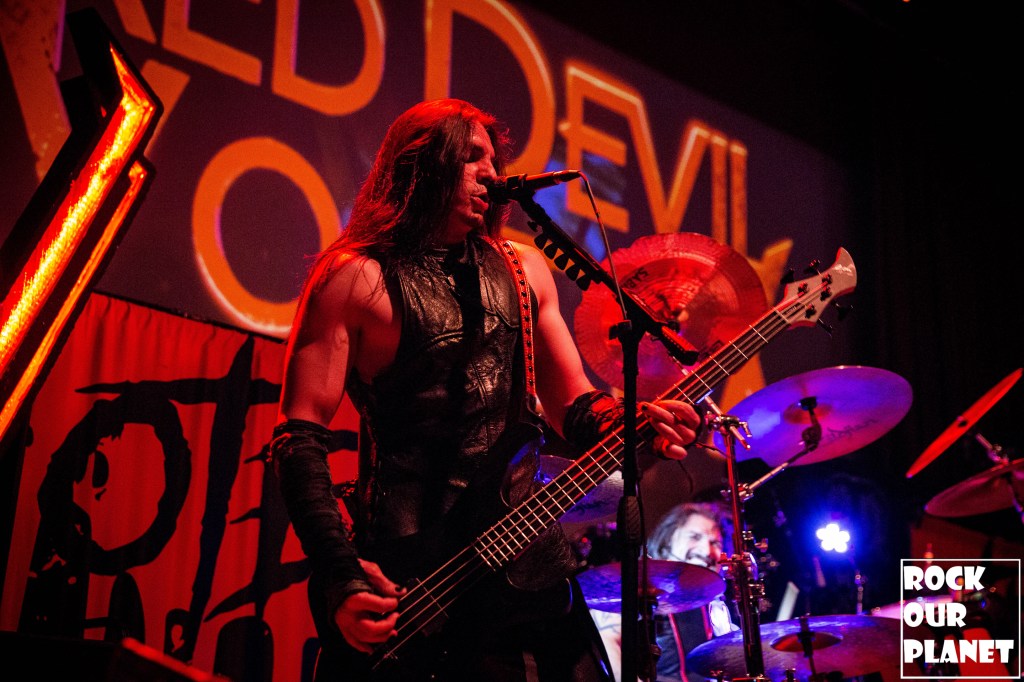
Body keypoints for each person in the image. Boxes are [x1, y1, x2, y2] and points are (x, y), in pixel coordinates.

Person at [269, 98, 704, 681]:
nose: (492, 173)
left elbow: (574, 405)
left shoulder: (524, 269)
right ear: (421, 165)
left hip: (529, 569)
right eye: (471, 156)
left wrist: (635, 421)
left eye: (495, 160)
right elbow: (298, 439)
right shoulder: (357, 277)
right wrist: (339, 573)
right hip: (414, 584)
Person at [591, 501, 736, 682]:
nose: (707, 550)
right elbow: (606, 638)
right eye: (695, 536)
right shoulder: (644, 584)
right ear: (668, 540)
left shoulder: (716, 605)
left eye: (715, 543)